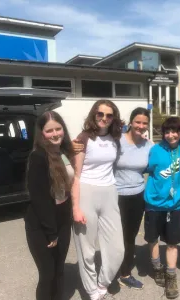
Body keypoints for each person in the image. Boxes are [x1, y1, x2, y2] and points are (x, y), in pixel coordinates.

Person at [72, 99, 124, 300]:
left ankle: (103, 283)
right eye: (100, 114)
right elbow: (76, 175)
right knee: (86, 248)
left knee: (117, 248)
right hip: (86, 191)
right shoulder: (84, 138)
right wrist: (75, 206)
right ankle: (92, 290)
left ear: (114, 118)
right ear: (94, 115)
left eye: (109, 115)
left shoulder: (115, 138)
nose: (104, 118)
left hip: (109, 192)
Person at [24, 111, 74, 300]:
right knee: (47, 274)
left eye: (58, 129)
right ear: (42, 133)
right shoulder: (38, 156)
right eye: (49, 130)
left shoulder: (65, 152)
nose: (55, 134)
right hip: (42, 225)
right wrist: (50, 231)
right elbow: (39, 198)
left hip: (62, 220)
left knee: (60, 270)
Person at [144, 117, 180, 299]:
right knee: (153, 238)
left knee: (172, 242)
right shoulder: (155, 150)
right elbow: (146, 168)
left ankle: (171, 276)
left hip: (175, 204)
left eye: (174, 131)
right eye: (167, 132)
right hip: (154, 203)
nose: (170, 135)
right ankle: (157, 268)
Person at [115, 107, 154, 289]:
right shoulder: (117, 141)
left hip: (138, 196)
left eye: (144, 123)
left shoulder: (149, 146)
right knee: (114, 236)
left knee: (130, 236)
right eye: (138, 122)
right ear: (131, 122)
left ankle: (125, 272)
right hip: (115, 196)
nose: (141, 126)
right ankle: (109, 272)